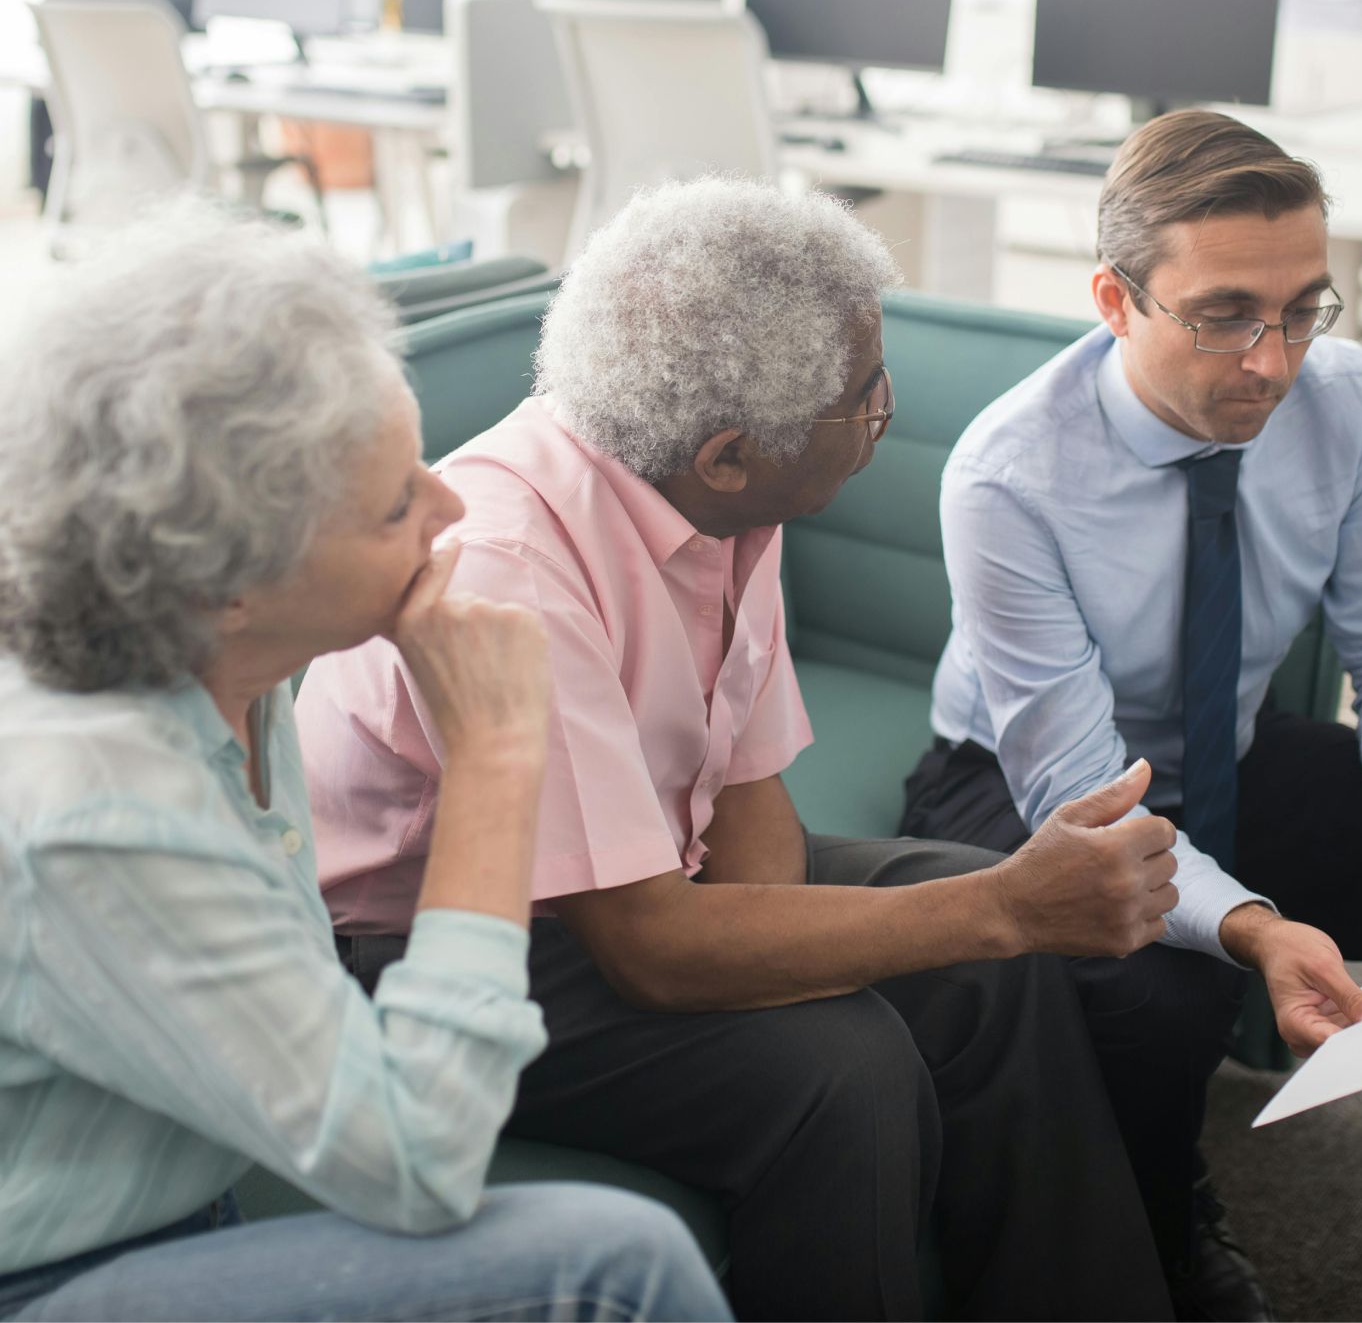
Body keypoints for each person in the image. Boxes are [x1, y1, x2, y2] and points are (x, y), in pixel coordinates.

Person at [298, 177, 1182, 1323]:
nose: (886, 413)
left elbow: (750, 804)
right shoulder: (512, 567)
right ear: (726, 453)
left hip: (636, 877)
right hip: (419, 941)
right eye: (866, 401)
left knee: (986, 956)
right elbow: (654, 950)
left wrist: (896, 935)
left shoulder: (723, 500)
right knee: (845, 1068)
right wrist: (1009, 904)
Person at [0, 206, 731, 1323]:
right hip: (47, 1278)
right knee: (614, 1264)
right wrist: (494, 754)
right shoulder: (100, 803)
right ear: (224, 583)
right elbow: (418, 1161)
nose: (452, 506)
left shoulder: (229, 661)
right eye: (399, 504)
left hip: (173, 1210)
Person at [903, 109, 1362, 1319]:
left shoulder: (1353, 400)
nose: (1273, 359)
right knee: (1154, 985)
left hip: (1222, 753)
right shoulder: (1008, 474)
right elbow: (1077, 788)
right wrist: (1254, 927)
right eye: (1225, 314)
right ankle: (1163, 1229)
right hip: (1023, 785)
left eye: (1300, 308)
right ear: (1117, 302)